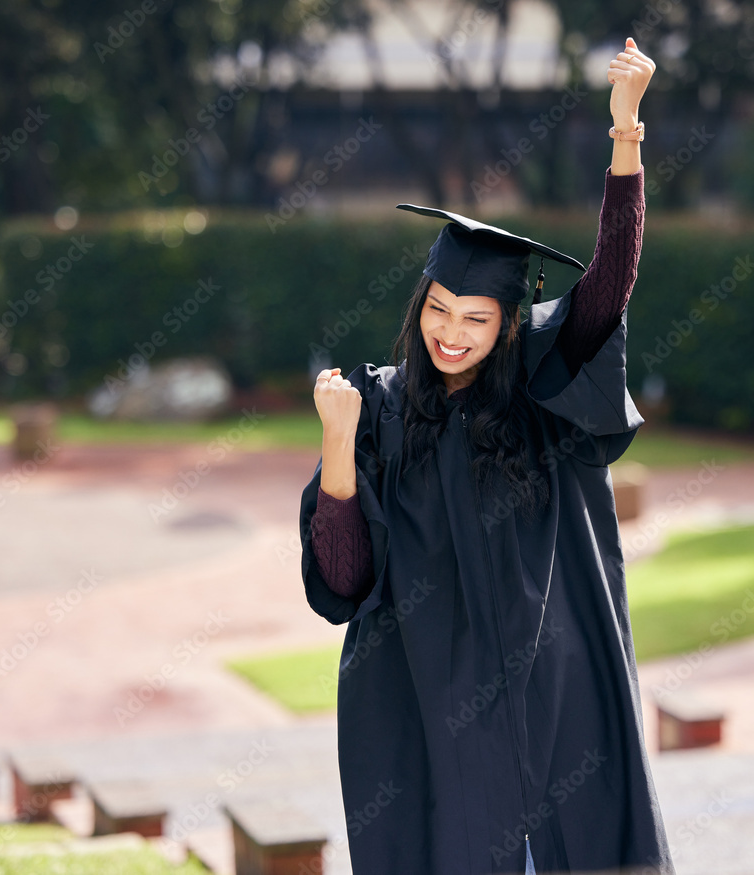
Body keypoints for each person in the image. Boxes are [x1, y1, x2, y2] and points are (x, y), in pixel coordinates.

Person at [298, 37, 675, 875]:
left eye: (476, 317)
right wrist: (335, 446)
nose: (452, 333)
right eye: (440, 309)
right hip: (435, 708)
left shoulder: (541, 383)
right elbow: (347, 580)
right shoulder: (381, 410)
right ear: (420, 304)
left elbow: (608, 285)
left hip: (557, 695)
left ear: (509, 322)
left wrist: (625, 130)